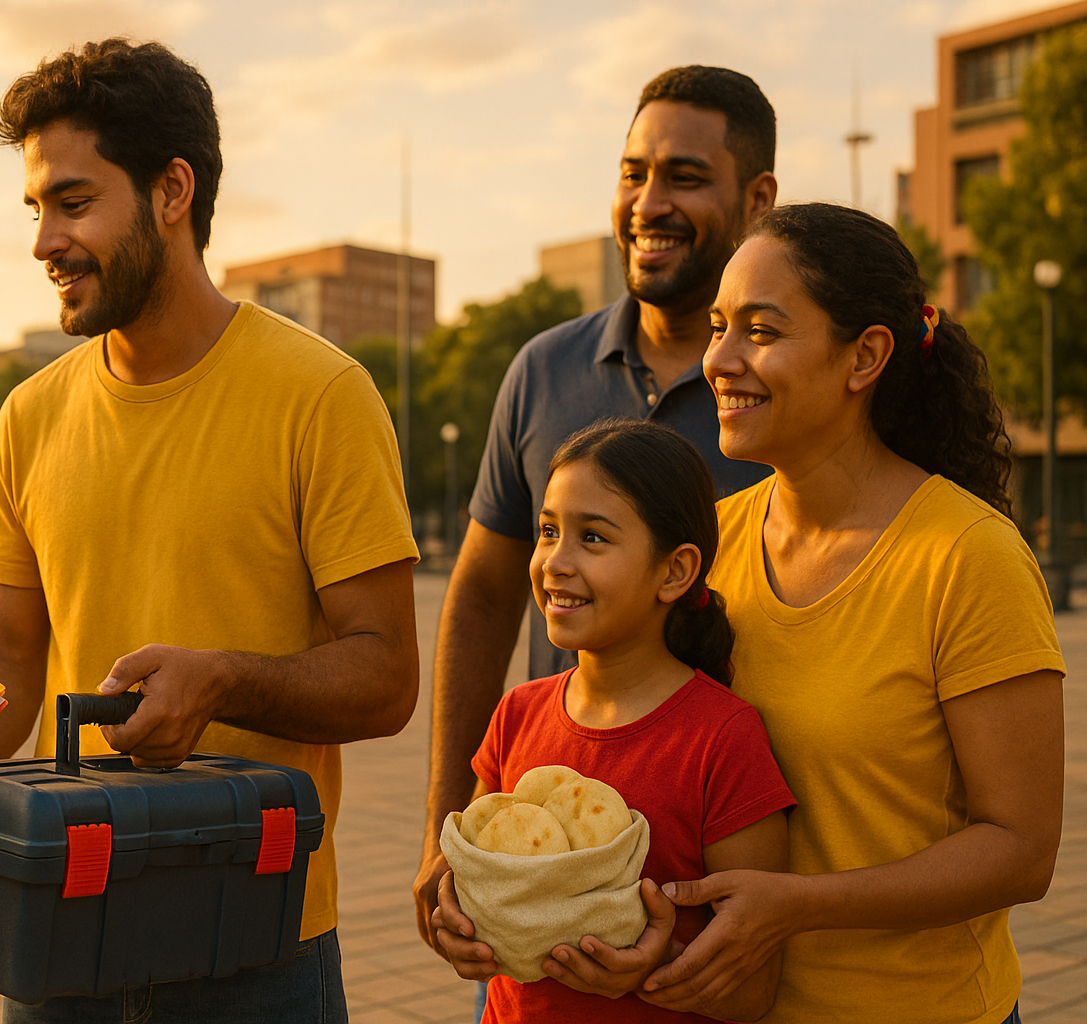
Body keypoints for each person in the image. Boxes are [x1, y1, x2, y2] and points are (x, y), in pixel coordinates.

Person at [0, 39, 420, 1023]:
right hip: (63, 921)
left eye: (74, 202)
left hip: (256, 935)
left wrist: (222, 680)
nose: (44, 240)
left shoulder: (322, 395)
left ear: (173, 191)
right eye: (36, 209)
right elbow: (3, 669)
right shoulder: (30, 416)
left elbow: (387, 678)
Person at [638, 202, 1064, 1023]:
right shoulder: (709, 544)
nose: (719, 359)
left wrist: (798, 904)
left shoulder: (968, 556)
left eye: (760, 331)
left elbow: (1021, 849)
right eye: (720, 326)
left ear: (865, 356)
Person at [415, 65, 780, 952]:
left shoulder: (780, 386)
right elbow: (483, 598)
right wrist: (442, 830)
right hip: (545, 863)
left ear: (758, 198)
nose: (648, 202)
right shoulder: (541, 369)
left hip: (720, 845)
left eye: (685, 177)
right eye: (632, 172)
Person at [431, 420, 795, 1023]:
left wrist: (646, 969)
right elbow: (477, 876)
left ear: (675, 571)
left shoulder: (722, 738)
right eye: (548, 531)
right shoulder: (516, 715)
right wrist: (456, 919)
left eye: (593, 538)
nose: (555, 562)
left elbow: (753, 992)